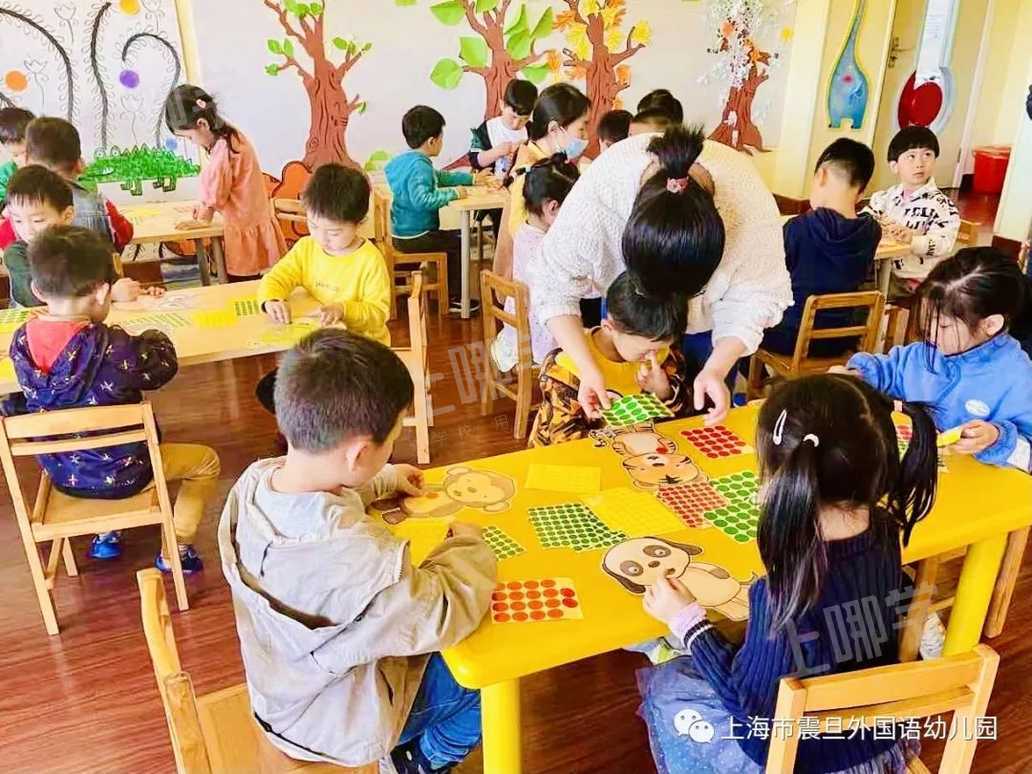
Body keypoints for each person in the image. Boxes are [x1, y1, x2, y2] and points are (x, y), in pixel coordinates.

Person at [218, 329, 495, 772]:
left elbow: (322, 503)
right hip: (337, 722)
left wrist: (383, 478)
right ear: (360, 452)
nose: (392, 447)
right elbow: (445, 610)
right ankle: (420, 761)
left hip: (281, 693)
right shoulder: (355, 553)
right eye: (392, 439)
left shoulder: (254, 485)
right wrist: (467, 542)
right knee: (489, 677)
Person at [638, 373, 938, 773]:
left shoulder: (785, 595)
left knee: (669, 685)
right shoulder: (884, 529)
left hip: (799, 758)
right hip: (874, 732)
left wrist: (687, 621)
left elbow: (752, 714)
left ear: (786, 479)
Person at [531, 124, 791, 427]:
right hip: (632, 316)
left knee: (701, 414)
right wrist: (587, 368)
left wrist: (716, 369)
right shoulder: (601, 195)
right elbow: (553, 285)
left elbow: (757, 298)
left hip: (715, 326)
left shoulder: (748, 207)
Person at [7, 226, 220, 569]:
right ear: (103, 291)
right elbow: (162, 366)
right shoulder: (113, 347)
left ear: (37, 290)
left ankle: (106, 534)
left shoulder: (19, 342)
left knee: (85, 434)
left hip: (63, 471)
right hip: (125, 474)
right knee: (206, 462)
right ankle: (176, 550)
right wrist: (153, 333)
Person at [841, 247, 1032, 472]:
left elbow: (1028, 456)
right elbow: (888, 372)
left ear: (990, 325)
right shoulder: (927, 352)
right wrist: (856, 376)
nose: (928, 331)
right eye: (927, 318)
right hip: (916, 474)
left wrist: (997, 438)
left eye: (943, 325)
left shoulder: (1018, 378)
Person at [254, 163, 391, 414]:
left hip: (361, 354)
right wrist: (272, 299)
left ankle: (328, 430)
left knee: (304, 397)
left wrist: (343, 309)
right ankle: (311, 430)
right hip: (322, 351)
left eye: (334, 232)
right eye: (313, 226)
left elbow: (378, 314)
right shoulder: (307, 248)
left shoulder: (369, 260)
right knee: (271, 390)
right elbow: (277, 277)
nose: (322, 238)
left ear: (359, 223)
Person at [530, 271, 693, 447]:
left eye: (661, 348)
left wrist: (665, 393)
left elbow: (683, 420)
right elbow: (565, 441)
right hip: (569, 458)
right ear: (609, 328)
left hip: (640, 454)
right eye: (645, 351)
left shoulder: (663, 352)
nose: (653, 357)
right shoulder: (565, 369)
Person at [760, 138, 881, 357]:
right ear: (861, 192)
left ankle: (761, 375)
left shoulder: (797, 228)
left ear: (821, 175)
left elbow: (766, 278)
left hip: (789, 337)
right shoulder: (871, 232)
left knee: (742, 319)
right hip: (841, 339)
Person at [164, 84, 286, 281]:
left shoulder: (224, 148)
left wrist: (203, 219)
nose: (192, 142)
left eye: (189, 137)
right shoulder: (231, 135)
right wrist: (203, 208)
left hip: (243, 227)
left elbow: (216, 190)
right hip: (250, 221)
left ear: (202, 124)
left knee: (240, 284)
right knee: (248, 280)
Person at [385, 105, 489, 314]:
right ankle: (455, 299)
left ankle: (396, 287)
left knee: (451, 239)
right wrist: (453, 194)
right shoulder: (420, 166)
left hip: (401, 233)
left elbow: (440, 177)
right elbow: (422, 200)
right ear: (432, 141)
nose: (442, 142)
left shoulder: (406, 161)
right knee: (457, 243)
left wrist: (471, 179)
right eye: (441, 137)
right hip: (417, 235)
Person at [3, 165, 150, 306]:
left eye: (38, 220)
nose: (27, 230)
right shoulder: (17, 254)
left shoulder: (88, 244)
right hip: (34, 322)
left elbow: (114, 283)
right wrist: (110, 296)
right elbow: (40, 301)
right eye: (18, 220)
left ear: (67, 216)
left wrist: (142, 293)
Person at [494, 83, 591, 285]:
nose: (585, 137)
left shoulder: (542, 163)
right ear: (554, 129)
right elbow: (522, 235)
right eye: (581, 129)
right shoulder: (531, 172)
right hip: (527, 284)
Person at [490, 155, 579, 374]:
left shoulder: (523, 231)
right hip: (539, 340)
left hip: (515, 333)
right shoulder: (547, 248)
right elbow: (578, 287)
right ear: (552, 208)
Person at [863, 126, 959, 292]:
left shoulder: (941, 205)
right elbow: (866, 217)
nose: (919, 163)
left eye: (927, 155)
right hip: (882, 270)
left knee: (859, 290)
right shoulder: (885, 197)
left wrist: (913, 240)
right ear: (894, 166)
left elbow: (944, 243)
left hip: (913, 280)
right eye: (911, 156)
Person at [24, 117, 135, 253]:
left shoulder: (20, 209)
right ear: (79, 165)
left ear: (26, 162)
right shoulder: (98, 204)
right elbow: (125, 234)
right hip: (97, 267)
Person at [467, 79, 537, 179]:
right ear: (502, 105)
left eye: (524, 119)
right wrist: (497, 151)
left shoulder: (532, 130)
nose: (516, 124)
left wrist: (524, 149)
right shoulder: (487, 129)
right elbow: (475, 161)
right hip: (492, 183)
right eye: (513, 117)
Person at [0, 106, 33, 202]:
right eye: (16, 155)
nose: (24, 159)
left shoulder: (50, 167)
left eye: (29, 152)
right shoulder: (5, 175)